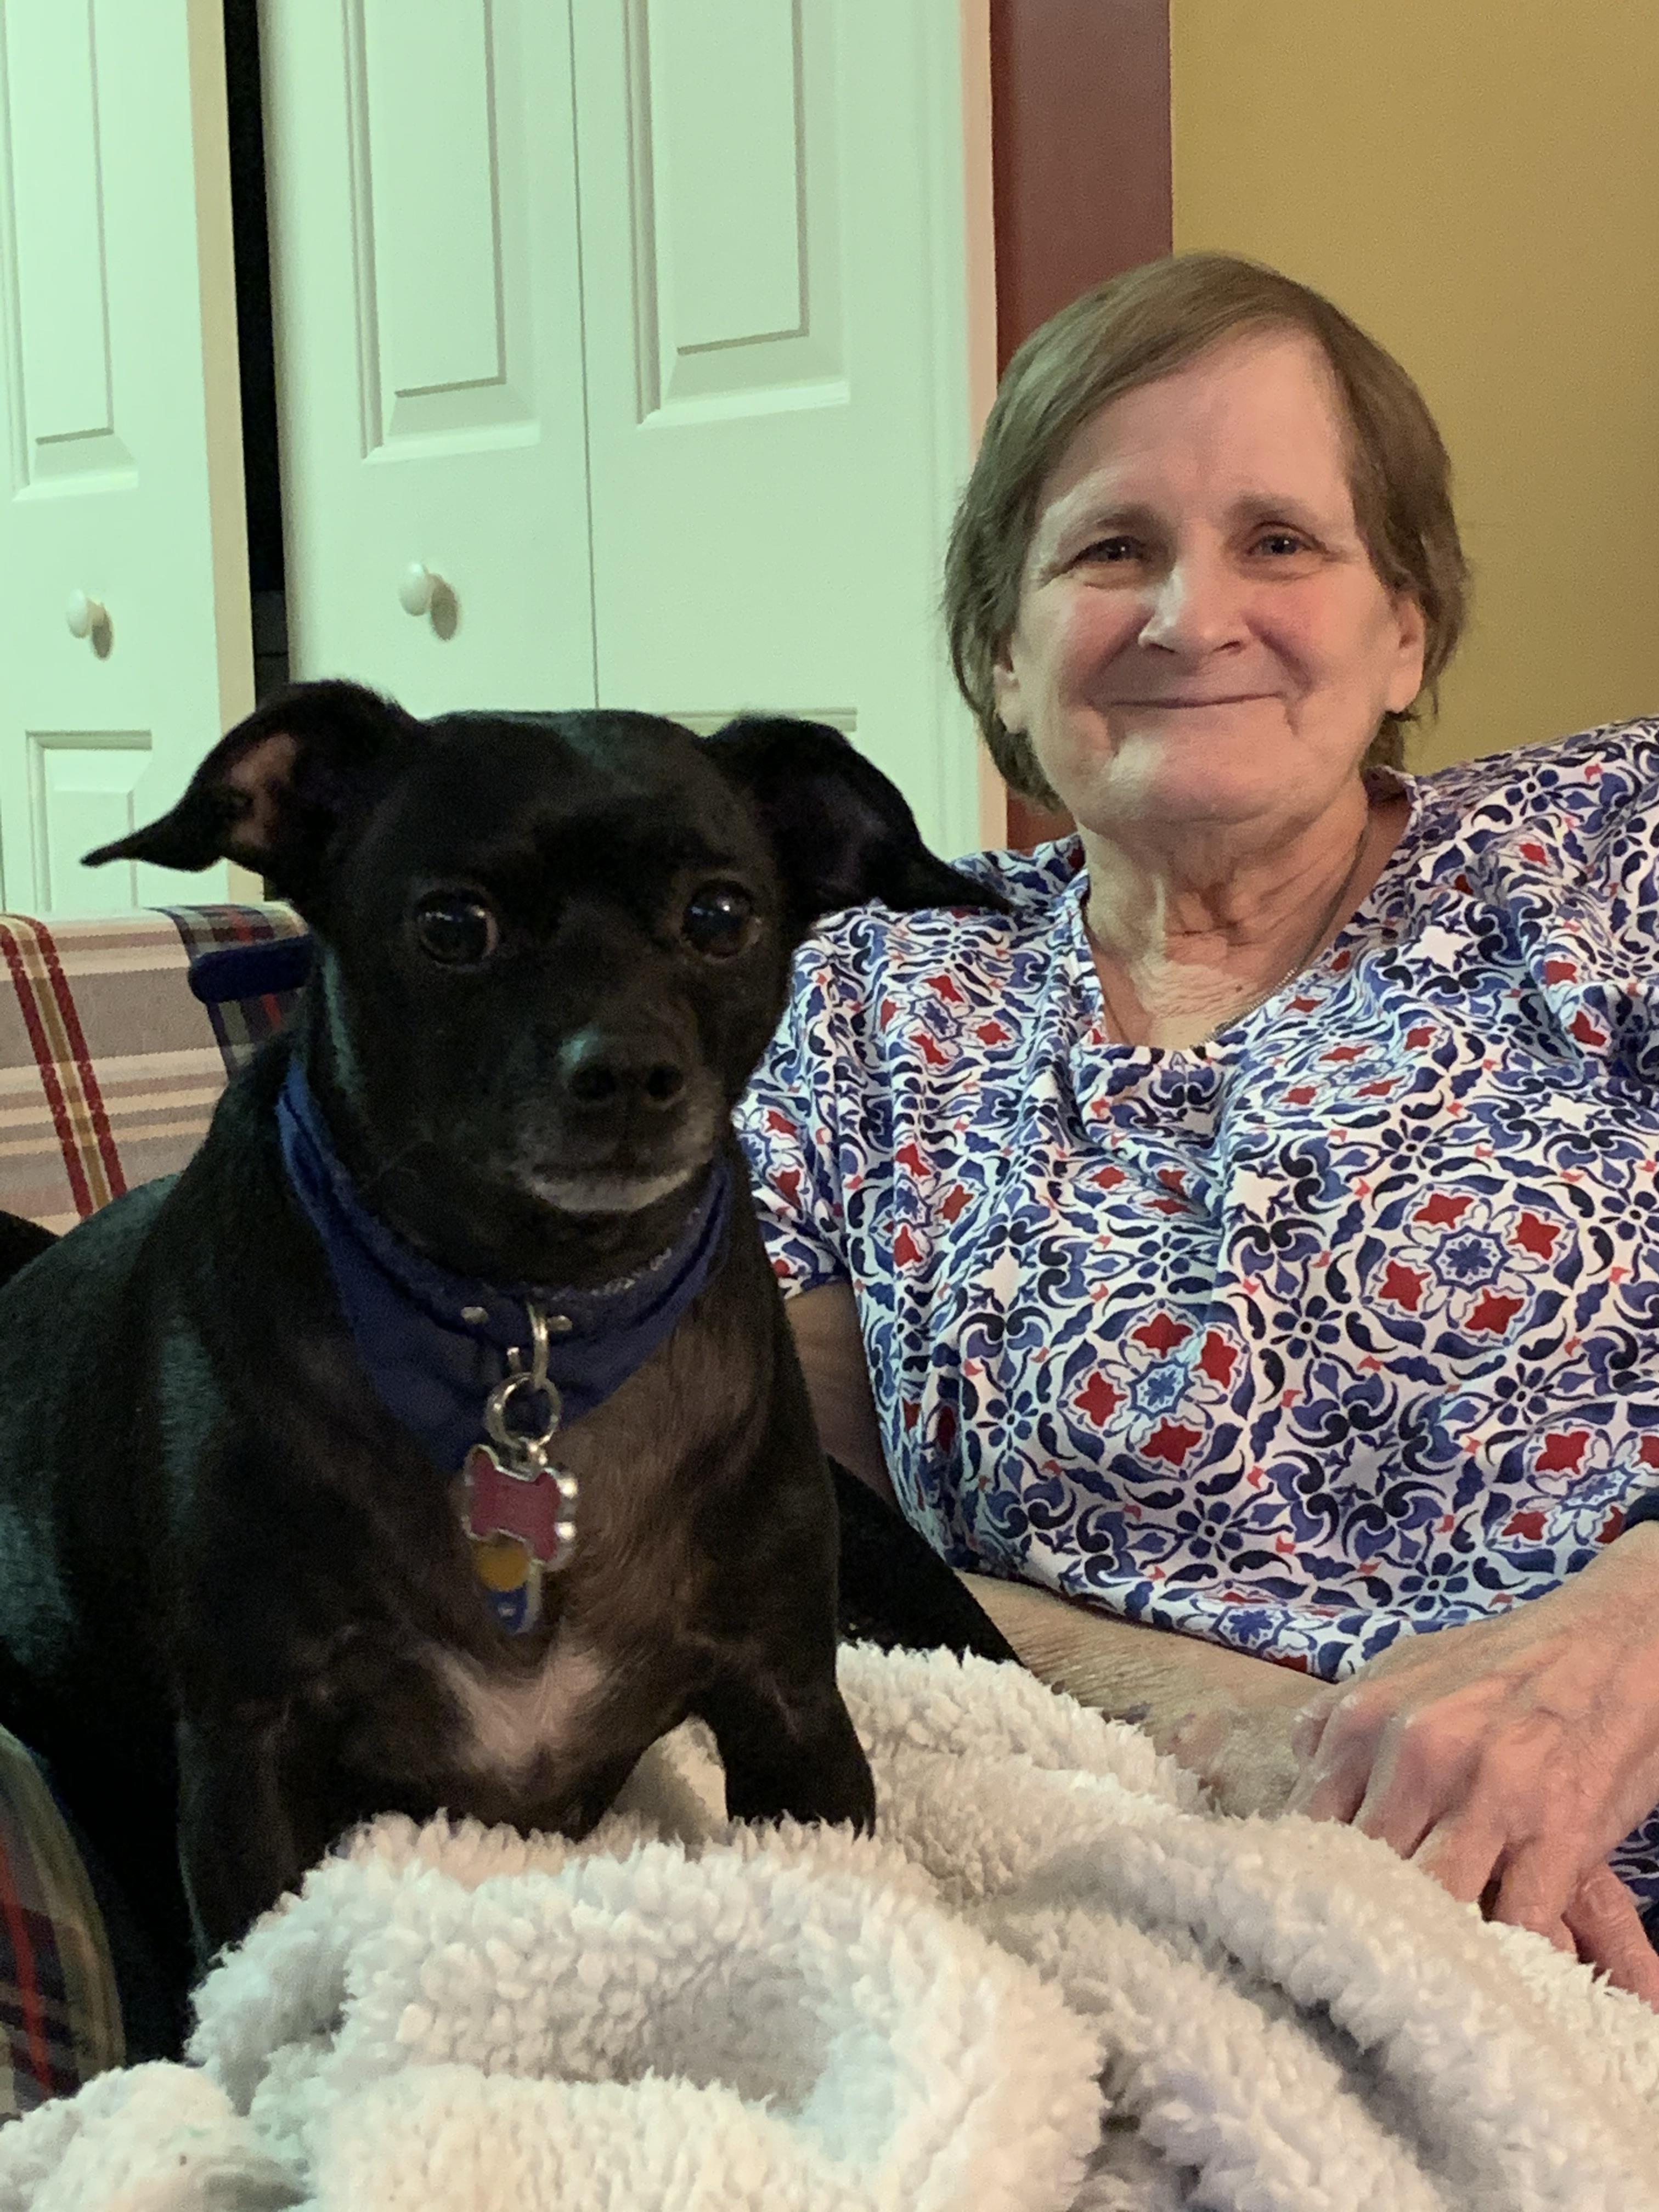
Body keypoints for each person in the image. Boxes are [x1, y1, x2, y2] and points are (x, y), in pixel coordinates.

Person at [736, 252, 1659, 2004]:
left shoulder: (1613, 862)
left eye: (1282, 543)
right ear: (1001, 657)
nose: (1192, 614)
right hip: (1122, 1905)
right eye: (1107, 550)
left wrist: (1621, 1649)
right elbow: (759, 1520)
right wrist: (1253, 1736)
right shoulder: (871, 996)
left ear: (1409, 627)